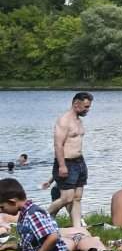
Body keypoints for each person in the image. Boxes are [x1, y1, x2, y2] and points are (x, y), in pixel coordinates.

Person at [50, 90, 92, 230]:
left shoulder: (78, 121)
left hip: (79, 162)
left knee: (77, 197)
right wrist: (62, 166)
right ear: (76, 104)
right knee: (66, 198)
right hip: (66, 162)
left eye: (89, 107)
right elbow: (58, 144)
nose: (88, 110)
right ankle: (43, 217)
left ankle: (77, 228)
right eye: (86, 107)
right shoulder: (64, 120)